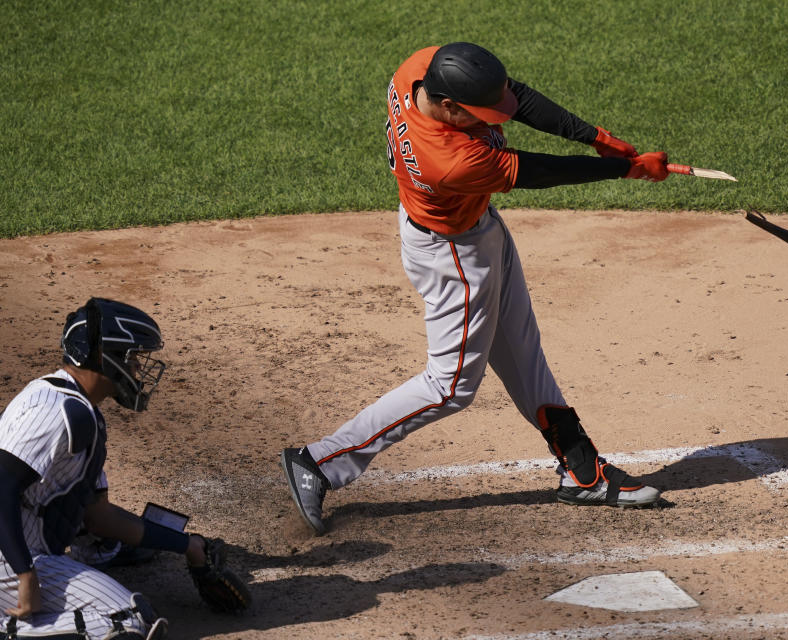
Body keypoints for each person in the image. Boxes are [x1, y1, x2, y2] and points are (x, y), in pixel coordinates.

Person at [282, 42, 670, 535]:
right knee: (449, 387)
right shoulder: (450, 160)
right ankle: (319, 461)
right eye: (479, 114)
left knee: (522, 352)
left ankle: (582, 470)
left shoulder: (419, 69)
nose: (492, 117)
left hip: (476, 230)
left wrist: (594, 135)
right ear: (447, 107)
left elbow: (516, 96)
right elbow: (538, 171)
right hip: (453, 256)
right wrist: (626, 168)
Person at [0, 298, 241, 639]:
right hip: (9, 559)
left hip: (14, 551)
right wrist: (26, 575)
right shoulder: (60, 413)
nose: (139, 372)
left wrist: (187, 546)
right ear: (102, 356)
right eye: (133, 359)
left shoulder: (80, 412)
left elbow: (100, 518)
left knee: (104, 567)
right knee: (127, 621)